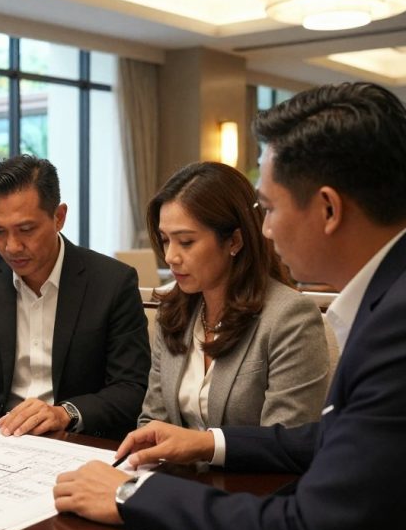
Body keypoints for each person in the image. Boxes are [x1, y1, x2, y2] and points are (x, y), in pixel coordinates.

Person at [53, 82, 406, 530]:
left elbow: (314, 529)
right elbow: (338, 438)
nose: (268, 231)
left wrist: (134, 497)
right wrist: (209, 441)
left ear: (328, 209)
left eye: (270, 208)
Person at [0, 155, 150, 440]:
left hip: (77, 438)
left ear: (58, 217)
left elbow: (131, 388)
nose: (11, 247)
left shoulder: (112, 282)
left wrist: (65, 413)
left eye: (26, 230)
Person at [139, 161, 329, 432]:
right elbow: (152, 421)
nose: (170, 257)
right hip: (170, 472)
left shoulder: (289, 317)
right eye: (165, 240)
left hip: (247, 475)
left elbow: (287, 442)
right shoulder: (172, 312)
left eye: (186, 241)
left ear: (235, 241)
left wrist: (202, 449)